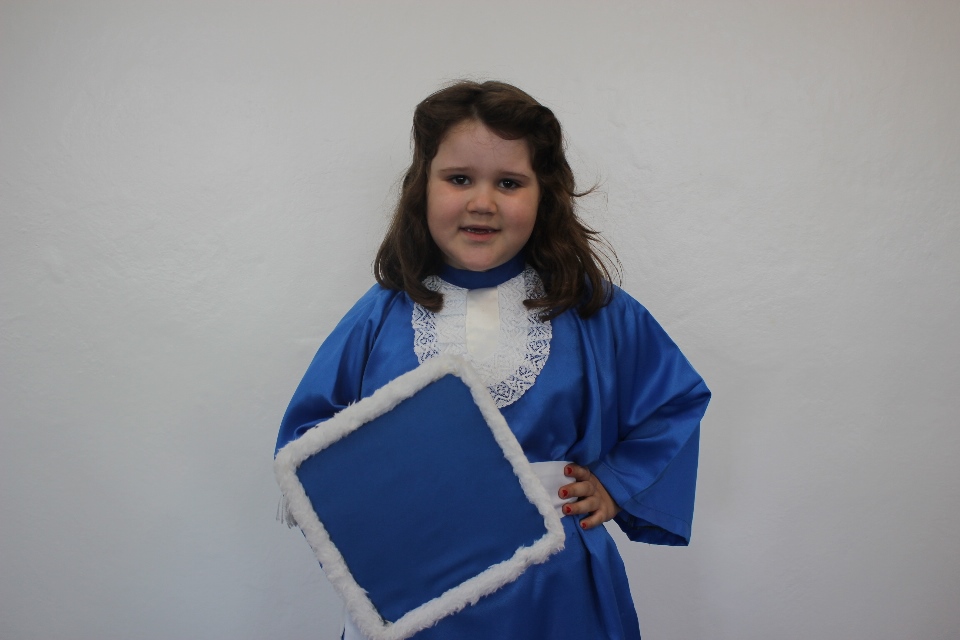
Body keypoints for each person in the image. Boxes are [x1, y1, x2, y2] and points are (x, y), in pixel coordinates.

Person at [275, 80, 710, 639]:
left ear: (544, 194)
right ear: (422, 188)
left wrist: (616, 482)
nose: (482, 202)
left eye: (509, 182)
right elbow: (309, 445)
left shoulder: (591, 308)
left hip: (556, 588)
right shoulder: (381, 314)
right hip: (419, 589)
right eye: (459, 179)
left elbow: (674, 401)